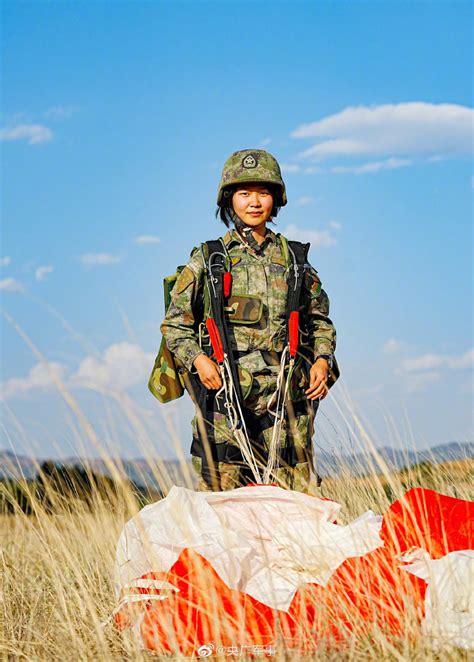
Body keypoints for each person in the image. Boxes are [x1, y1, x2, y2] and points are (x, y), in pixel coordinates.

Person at [160, 149, 339, 494]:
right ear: (229, 200)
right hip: (226, 397)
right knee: (221, 506)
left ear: (276, 199)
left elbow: (320, 321)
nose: (254, 202)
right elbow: (174, 325)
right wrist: (198, 360)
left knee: (298, 503)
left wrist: (321, 359)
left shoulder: (295, 260)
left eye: (263, 192)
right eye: (244, 193)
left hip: (286, 399)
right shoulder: (210, 259)